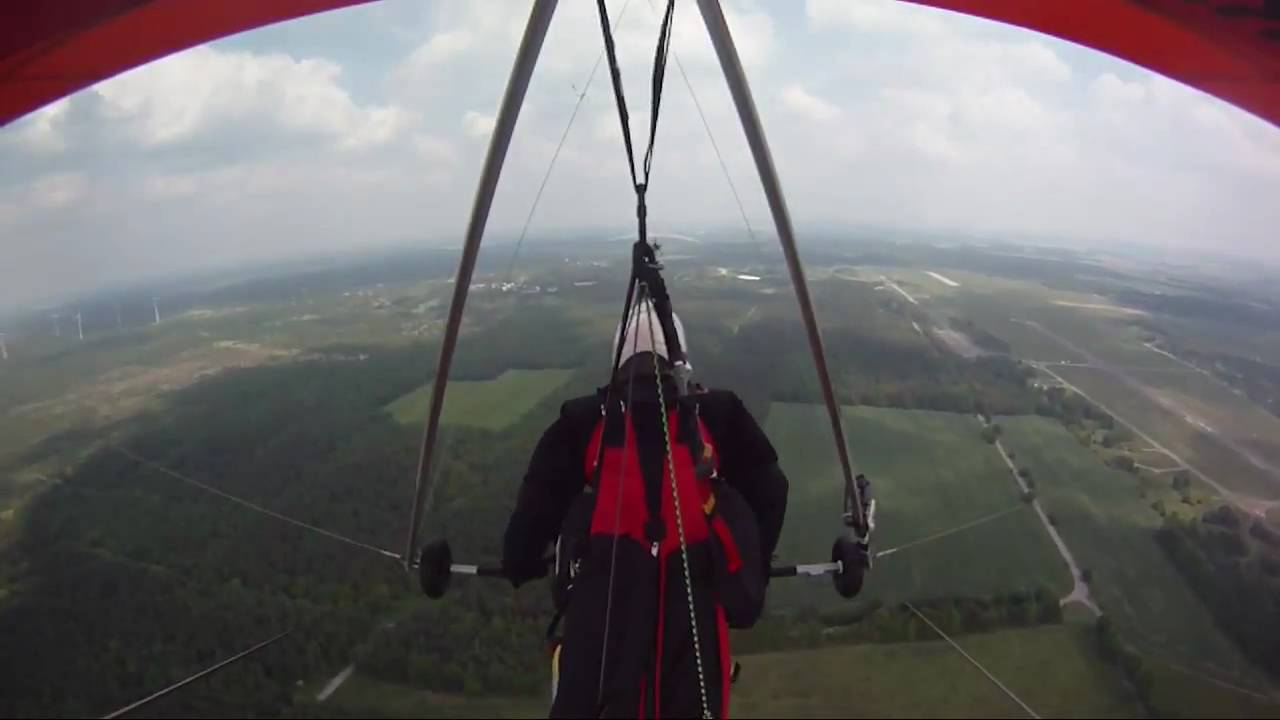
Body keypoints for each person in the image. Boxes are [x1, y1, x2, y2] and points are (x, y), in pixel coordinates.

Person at [503, 300, 789, 718]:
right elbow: (771, 489)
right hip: (694, 612)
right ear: (679, 360)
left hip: (604, 613)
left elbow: (535, 509)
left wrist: (522, 561)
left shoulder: (585, 420)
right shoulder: (715, 414)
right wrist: (752, 567)